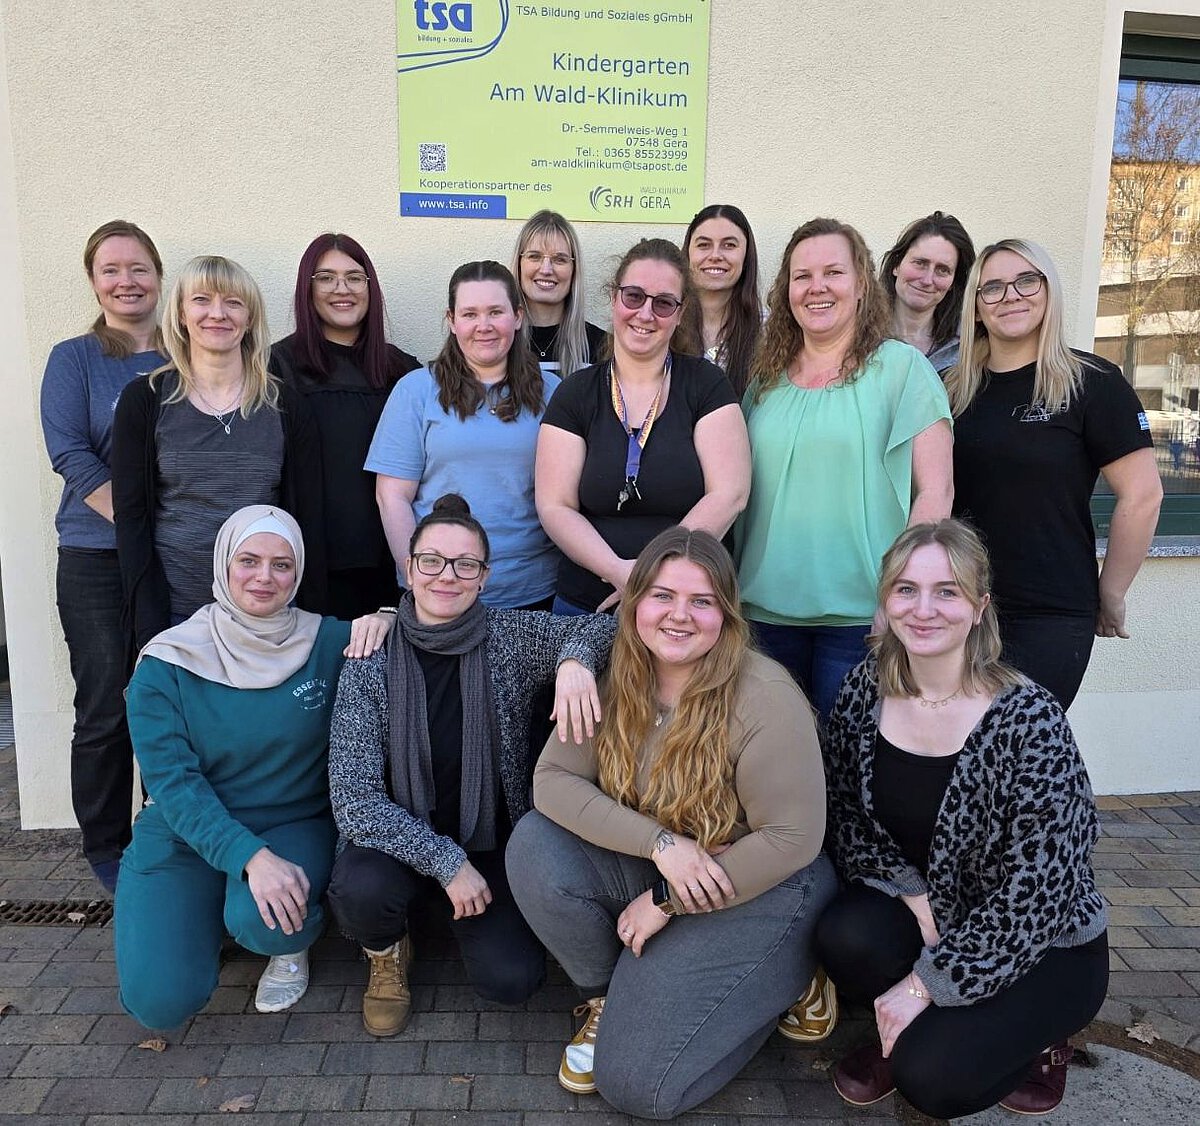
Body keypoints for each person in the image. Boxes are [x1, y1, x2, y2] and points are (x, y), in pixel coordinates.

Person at [507, 527, 835, 1120]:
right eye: (661, 596)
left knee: (639, 1087)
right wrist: (660, 847)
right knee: (534, 845)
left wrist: (665, 902)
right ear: (634, 605)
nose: (678, 616)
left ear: (726, 614)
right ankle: (614, 997)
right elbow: (551, 782)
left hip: (764, 886)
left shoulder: (763, 694)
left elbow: (792, 840)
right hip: (676, 864)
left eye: (701, 601)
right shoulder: (621, 675)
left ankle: (786, 976)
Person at [817, 519, 1108, 1119]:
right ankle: (907, 1023)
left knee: (934, 1082)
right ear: (886, 601)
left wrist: (928, 982)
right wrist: (913, 893)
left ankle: (1028, 1035)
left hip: (1045, 941)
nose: (924, 609)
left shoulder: (1028, 719)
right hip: (933, 913)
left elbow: (1042, 888)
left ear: (980, 607)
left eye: (947, 591)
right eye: (906, 590)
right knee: (845, 934)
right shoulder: (863, 692)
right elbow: (844, 817)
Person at [326, 494, 617, 1036]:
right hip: (396, 843)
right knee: (360, 891)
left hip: (487, 838)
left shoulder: (508, 636)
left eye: (466, 565)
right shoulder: (371, 655)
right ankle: (388, 950)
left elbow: (605, 630)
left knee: (511, 981)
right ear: (409, 569)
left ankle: (442, 911)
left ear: (484, 577)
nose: (447, 576)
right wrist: (445, 863)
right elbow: (354, 801)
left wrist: (575, 660)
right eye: (432, 561)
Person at [115, 505, 393, 1028]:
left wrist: (389, 616)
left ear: (299, 573)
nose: (264, 577)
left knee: (264, 924)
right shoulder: (167, 661)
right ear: (223, 564)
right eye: (249, 560)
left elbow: (418, 636)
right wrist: (249, 857)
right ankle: (212, 904)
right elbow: (174, 788)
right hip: (185, 830)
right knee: (159, 1003)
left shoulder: (330, 642)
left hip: (292, 822)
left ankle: (285, 946)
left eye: (281, 565)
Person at [737, 217, 953, 723]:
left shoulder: (902, 370)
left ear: (861, 285)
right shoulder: (764, 384)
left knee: (848, 777)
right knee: (773, 772)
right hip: (762, 617)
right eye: (802, 275)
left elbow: (935, 494)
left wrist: (901, 597)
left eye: (833, 272)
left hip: (862, 620)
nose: (816, 287)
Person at [946, 238, 1163, 708]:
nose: (1011, 296)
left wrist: (1112, 591)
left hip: (1051, 611)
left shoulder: (1092, 382)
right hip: (956, 603)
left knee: (1022, 748)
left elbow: (1143, 495)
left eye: (1027, 281)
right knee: (955, 751)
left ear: (1049, 292)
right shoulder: (951, 390)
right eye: (993, 288)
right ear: (976, 307)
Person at [39, 220, 166, 892]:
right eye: (112, 270)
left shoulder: (186, 354)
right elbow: (71, 455)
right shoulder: (75, 358)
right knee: (105, 707)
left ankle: (167, 826)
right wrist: (138, 526)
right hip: (94, 557)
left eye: (138, 268)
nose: (127, 281)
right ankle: (106, 847)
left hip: (171, 559)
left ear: (159, 274)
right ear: (94, 281)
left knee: (170, 700)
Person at [112, 255, 325, 650]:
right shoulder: (145, 401)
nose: (217, 313)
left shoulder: (287, 406)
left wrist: (302, 611)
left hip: (266, 616)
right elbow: (132, 518)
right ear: (179, 313)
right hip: (175, 615)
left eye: (233, 302)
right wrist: (147, 621)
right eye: (202, 300)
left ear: (249, 318)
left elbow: (306, 518)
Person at [536, 238, 750, 615]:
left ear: (681, 314)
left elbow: (729, 493)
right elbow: (555, 506)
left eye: (663, 303)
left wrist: (657, 577)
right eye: (634, 296)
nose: (646, 313)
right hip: (588, 606)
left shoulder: (707, 385)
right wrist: (621, 573)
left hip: (685, 604)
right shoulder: (575, 393)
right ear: (614, 299)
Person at [369, 261, 558, 610]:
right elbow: (392, 497)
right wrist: (416, 575)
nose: (483, 326)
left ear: (517, 316)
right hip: (440, 589)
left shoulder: (552, 392)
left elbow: (564, 495)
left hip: (530, 589)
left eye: (495, 312)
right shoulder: (416, 391)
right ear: (452, 321)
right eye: (469, 314)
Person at [270, 233, 420, 619]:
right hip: (310, 564)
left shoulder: (401, 370)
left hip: (390, 564)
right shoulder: (277, 367)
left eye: (355, 277)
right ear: (308, 287)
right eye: (326, 277)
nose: (342, 289)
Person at [878, 211, 976, 374]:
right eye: (920, 263)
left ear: (953, 282)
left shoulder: (968, 347)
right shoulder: (857, 335)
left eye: (942, 270)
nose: (927, 280)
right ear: (896, 265)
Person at [510, 209, 606, 375]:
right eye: (534, 256)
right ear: (519, 264)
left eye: (559, 259)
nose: (546, 269)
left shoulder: (603, 348)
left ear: (574, 270)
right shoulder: (497, 342)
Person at [681, 203, 762, 395]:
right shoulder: (664, 323)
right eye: (703, 245)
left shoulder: (769, 331)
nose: (715, 255)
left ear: (746, 255)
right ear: (688, 253)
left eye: (729, 245)